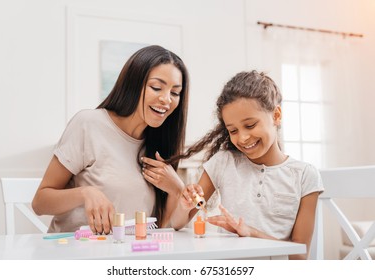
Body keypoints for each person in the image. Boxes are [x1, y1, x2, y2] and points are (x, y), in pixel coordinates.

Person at [32, 45, 189, 234]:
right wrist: (85, 193)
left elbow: (159, 228)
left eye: (175, 93)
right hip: (74, 252)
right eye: (157, 87)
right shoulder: (88, 124)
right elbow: (40, 203)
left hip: (126, 257)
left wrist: (176, 190)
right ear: (133, 83)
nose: (166, 99)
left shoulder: (159, 145)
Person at [169, 70, 324, 259]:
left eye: (250, 125)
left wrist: (252, 233)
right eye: (233, 130)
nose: (242, 138)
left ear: (276, 115)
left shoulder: (304, 175)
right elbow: (177, 223)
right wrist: (184, 206)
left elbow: (299, 256)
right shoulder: (223, 163)